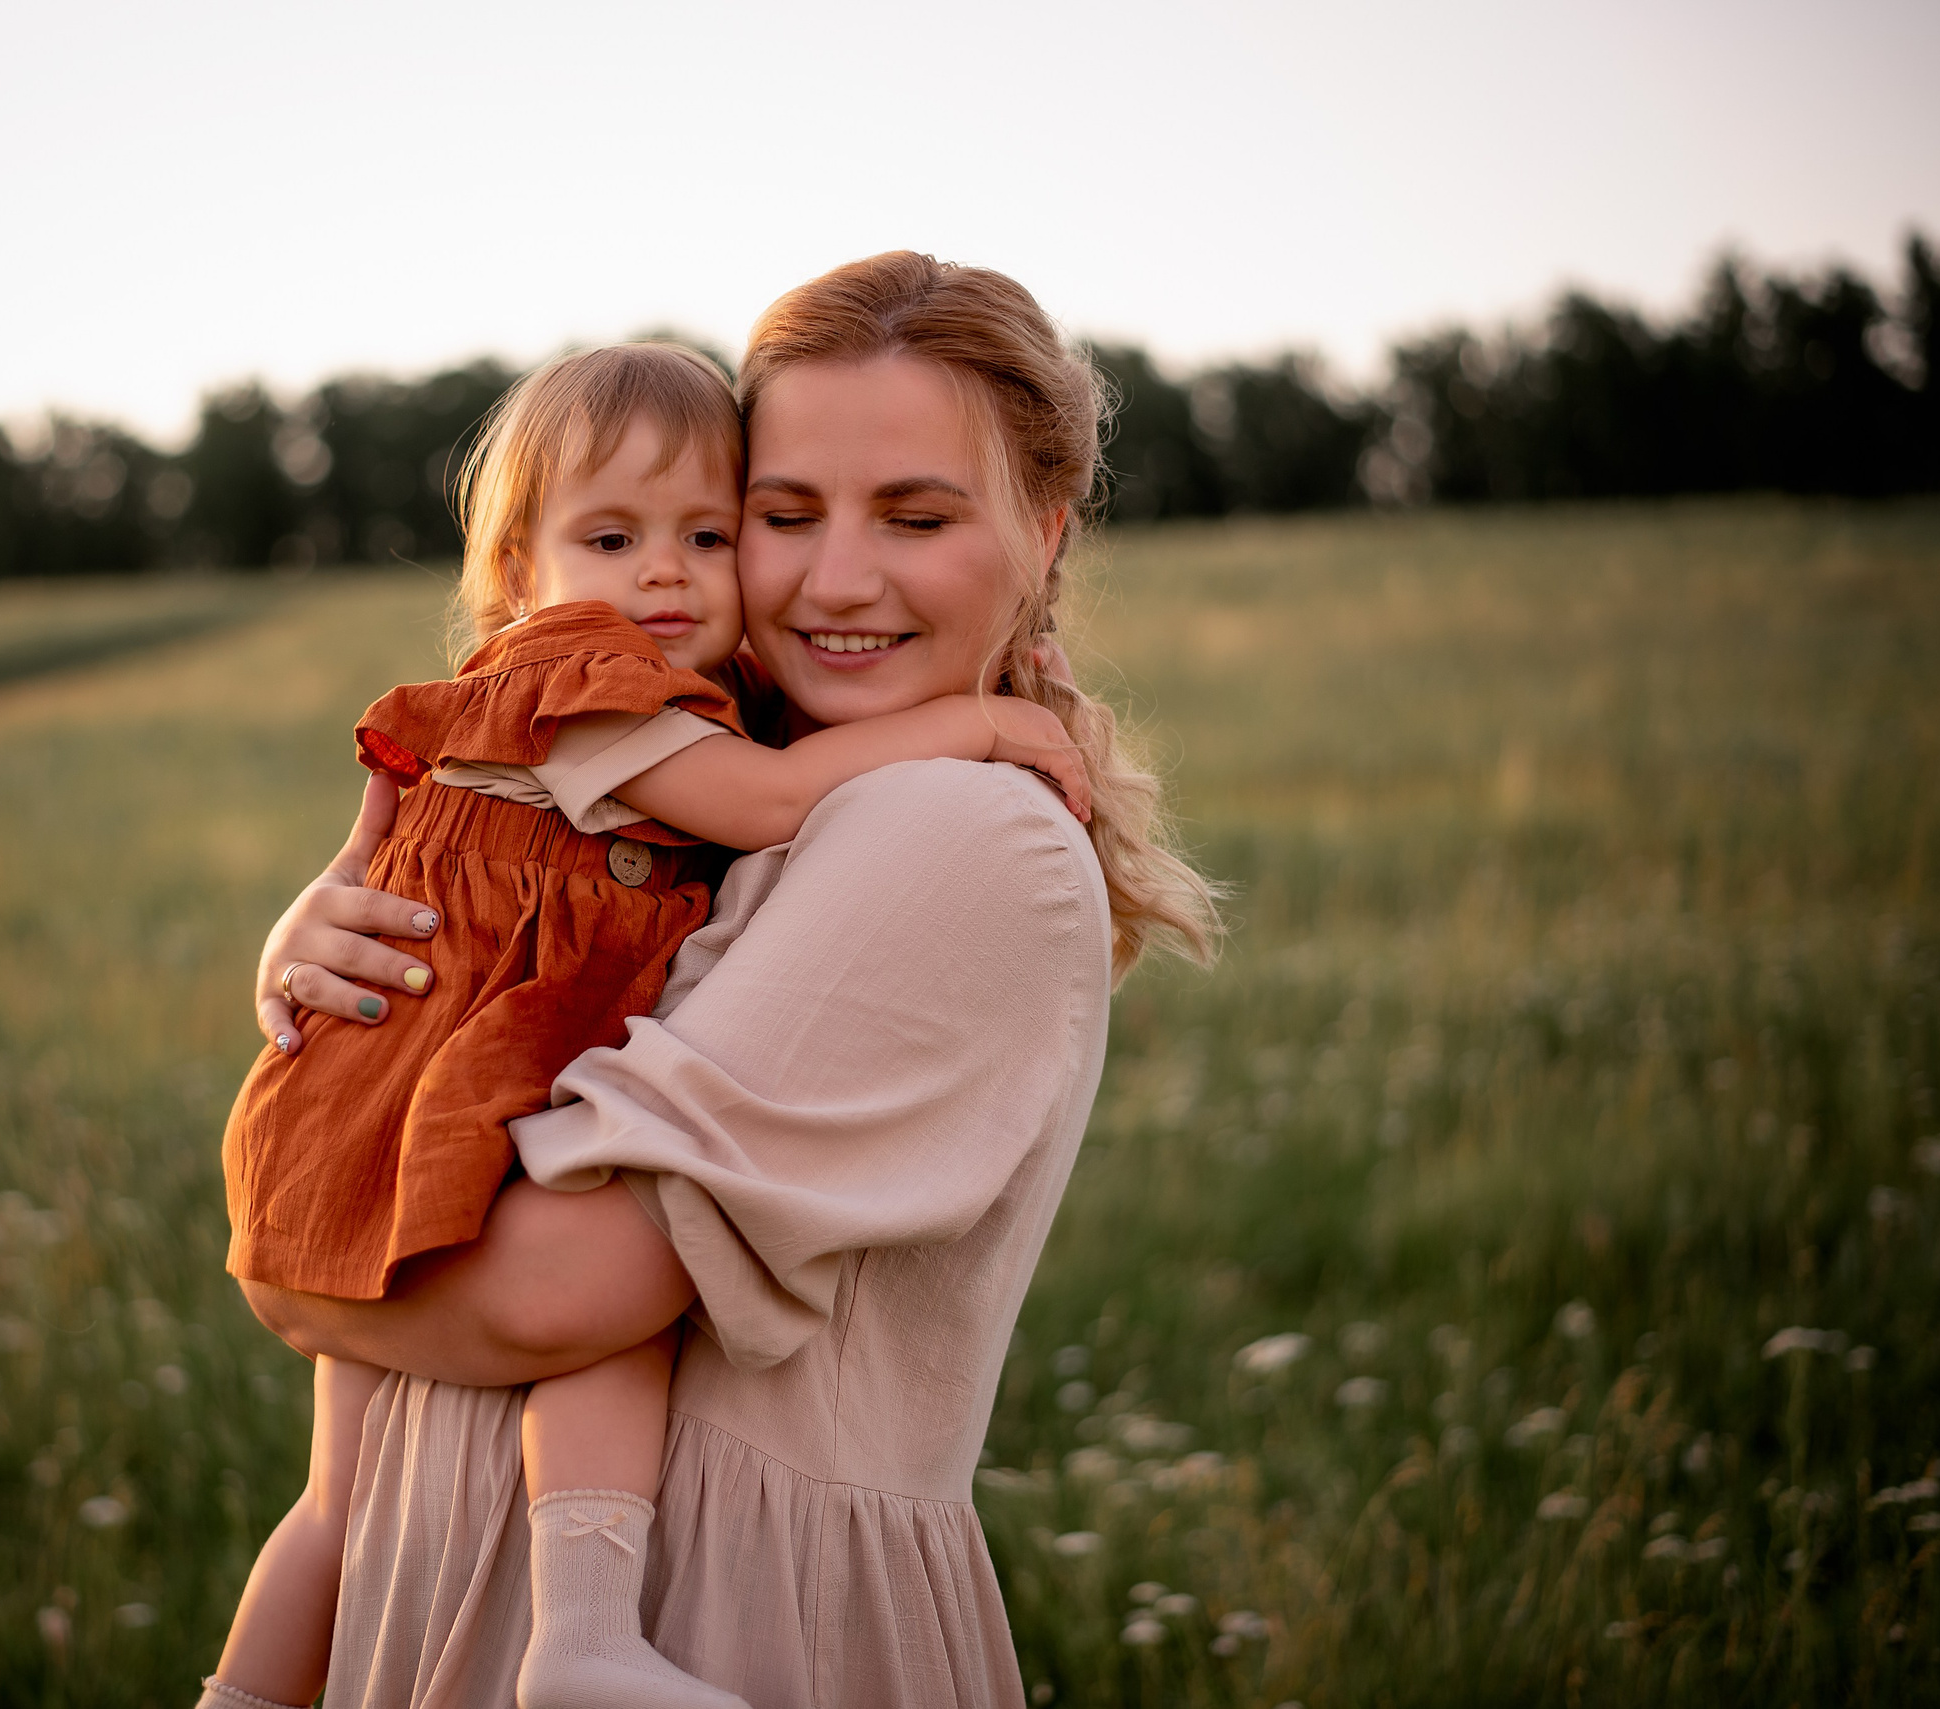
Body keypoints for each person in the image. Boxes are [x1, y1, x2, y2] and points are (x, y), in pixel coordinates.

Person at [234, 253, 1219, 1709]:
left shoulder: (953, 819)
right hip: (458, 1589)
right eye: (782, 512)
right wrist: (336, 940)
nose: (835, 577)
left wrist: (287, 1272)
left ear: (1044, 525)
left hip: (734, 1625)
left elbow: (558, 1292)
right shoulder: (706, 787)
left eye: (918, 514)